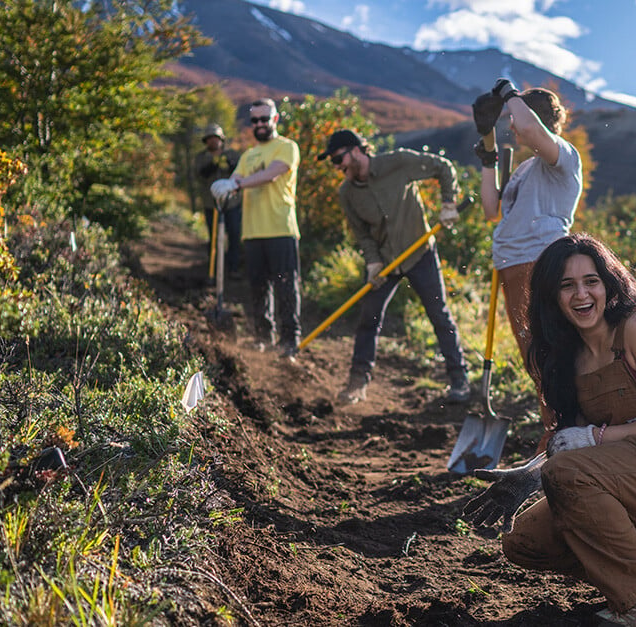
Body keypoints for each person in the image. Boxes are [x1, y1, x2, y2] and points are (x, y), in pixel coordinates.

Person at [462, 233, 636, 626]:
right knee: (524, 541)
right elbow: (572, 446)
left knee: (565, 475)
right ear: (550, 296)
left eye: (591, 281)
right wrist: (528, 477)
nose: (581, 294)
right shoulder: (561, 357)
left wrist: (595, 438)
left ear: (609, 284)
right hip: (630, 474)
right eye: (566, 285)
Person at [317, 129, 471, 405]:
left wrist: (448, 203)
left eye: (338, 159)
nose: (337, 167)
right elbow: (362, 233)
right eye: (332, 163)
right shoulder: (348, 193)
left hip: (419, 252)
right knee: (369, 319)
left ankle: (459, 379)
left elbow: (443, 167)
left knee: (439, 314)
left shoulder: (397, 162)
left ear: (355, 151)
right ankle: (357, 383)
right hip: (386, 263)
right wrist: (373, 261)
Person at [472, 78, 583, 451]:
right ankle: (555, 428)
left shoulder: (562, 157)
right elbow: (492, 210)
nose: (513, 127)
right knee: (534, 356)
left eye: (513, 119)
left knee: (553, 350)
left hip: (543, 261)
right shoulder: (525, 168)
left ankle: (568, 430)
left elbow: (532, 127)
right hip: (512, 264)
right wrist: (489, 151)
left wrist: (508, 91)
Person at [210, 98, 302, 358]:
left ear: (275, 119)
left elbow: (272, 173)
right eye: (255, 120)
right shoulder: (248, 156)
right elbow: (235, 179)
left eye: (265, 119)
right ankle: (263, 337)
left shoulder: (287, 147)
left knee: (286, 287)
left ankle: (289, 341)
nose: (260, 124)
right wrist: (223, 188)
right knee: (258, 288)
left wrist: (237, 185)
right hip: (252, 232)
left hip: (281, 228)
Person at [194, 123, 243, 279]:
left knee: (234, 234)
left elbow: (242, 173)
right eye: (210, 139)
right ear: (206, 141)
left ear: (221, 139)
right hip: (211, 204)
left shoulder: (233, 155)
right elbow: (198, 175)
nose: (213, 142)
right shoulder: (201, 158)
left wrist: (229, 165)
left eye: (216, 138)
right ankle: (213, 269)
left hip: (232, 203)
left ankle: (233, 267)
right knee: (214, 237)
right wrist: (212, 166)